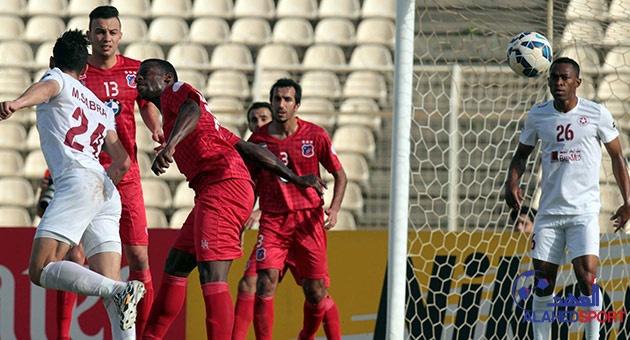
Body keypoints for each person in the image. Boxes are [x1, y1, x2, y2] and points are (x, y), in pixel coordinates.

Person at [134, 59, 324, 339]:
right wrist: (295, 177)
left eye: (144, 74)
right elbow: (249, 148)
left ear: (166, 78)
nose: (138, 78)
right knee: (176, 264)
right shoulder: (208, 125)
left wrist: (171, 146)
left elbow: (191, 108)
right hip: (212, 190)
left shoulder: (175, 92)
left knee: (212, 275)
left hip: (224, 186)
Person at [0, 29, 146, 338]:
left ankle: (119, 288)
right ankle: (119, 293)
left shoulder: (58, 79)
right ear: (85, 70)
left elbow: (48, 87)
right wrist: (102, 189)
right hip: (106, 189)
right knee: (112, 294)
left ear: (53, 60)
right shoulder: (101, 108)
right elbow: (123, 161)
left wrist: (17, 103)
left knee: (41, 270)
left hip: (77, 182)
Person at [504, 57, 630, 340]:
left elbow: (617, 156)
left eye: (564, 78)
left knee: (587, 278)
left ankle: (593, 337)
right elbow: (521, 155)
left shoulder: (596, 113)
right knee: (544, 282)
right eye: (553, 78)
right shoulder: (538, 115)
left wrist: (628, 200)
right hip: (548, 213)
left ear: (577, 82)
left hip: (583, 212)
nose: (558, 83)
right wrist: (511, 181)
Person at [56, 6, 162, 338]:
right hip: (86, 174)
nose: (106, 38)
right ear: (89, 35)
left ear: (121, 34)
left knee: (139, 259)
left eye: (112, 32)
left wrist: (157, 131)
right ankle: (61, 335)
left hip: (124, 176)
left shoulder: (134, 70)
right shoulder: (76, 71)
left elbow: (146, 104)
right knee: (75, 255)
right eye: (99, 32)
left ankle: (141, 334)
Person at [249, 78, 347, 340]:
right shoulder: (258, 139)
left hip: (308, 222)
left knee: (315, 292)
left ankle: (306, 336)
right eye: (277, 99)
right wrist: (247, 210)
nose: (281, 104)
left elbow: (340, 175)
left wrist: (334, 209)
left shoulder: (315, 135)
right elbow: (249, 180)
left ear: (297, 105)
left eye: (287, 99)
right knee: (264, 283)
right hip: (273, 221)